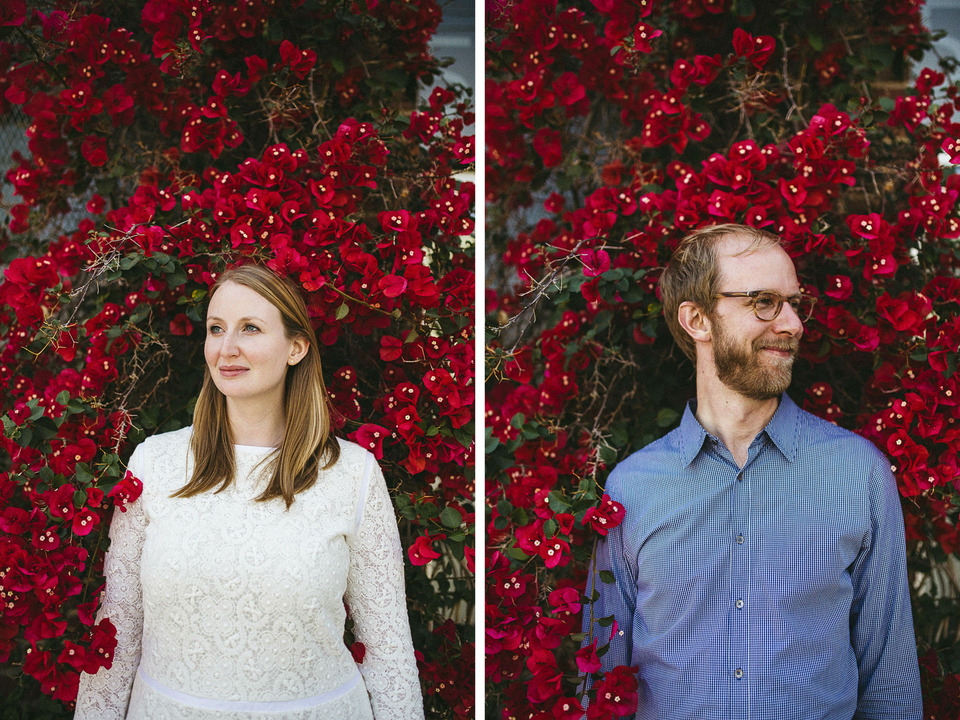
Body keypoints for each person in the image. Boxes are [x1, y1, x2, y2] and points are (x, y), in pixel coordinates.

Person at [582, 224, 922, 719]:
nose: (791, 324)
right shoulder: (632, 488)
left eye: (793, 302)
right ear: (697, 319)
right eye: (763, 302)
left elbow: (889, 683)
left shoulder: (857, 472)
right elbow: (603, 680)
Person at [75, 264, 424, 720]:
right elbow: (118, 626)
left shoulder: (351, 474)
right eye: (215, 329)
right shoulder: (154, 465)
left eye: (250, 329)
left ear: (296, 348)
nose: (226, 348)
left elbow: (387, 647)